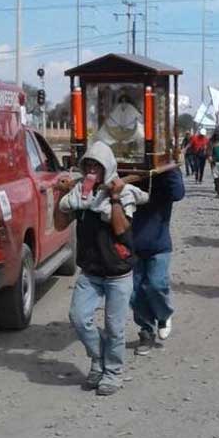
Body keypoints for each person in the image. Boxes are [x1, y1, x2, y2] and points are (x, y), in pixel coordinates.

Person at [55, 141, 148, 396]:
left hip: (118, 272)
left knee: (114, 327)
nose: (92, 170)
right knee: (78, 317)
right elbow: (60, 224)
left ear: (108, 169)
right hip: (91, 272)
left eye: (97, 166)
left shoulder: (124, 194)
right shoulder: (80, 196)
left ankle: (113, 373)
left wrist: (114, 197)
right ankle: (98, 360)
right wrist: (60, 195)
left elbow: (120, 229)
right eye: (89, 165)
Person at [130, 165, 186, 355]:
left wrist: (170, 166)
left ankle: (163, 316)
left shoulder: (164, 177)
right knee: (135, 293)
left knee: (156, 285)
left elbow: (178, 193)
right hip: (132, 244)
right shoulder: (128, 175)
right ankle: (146, 331)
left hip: (158, 243)